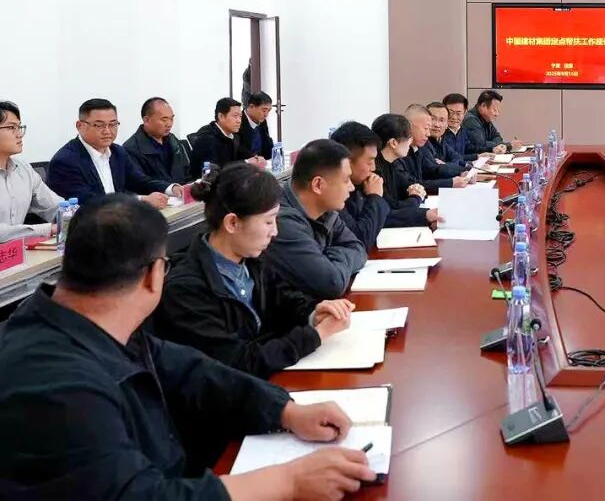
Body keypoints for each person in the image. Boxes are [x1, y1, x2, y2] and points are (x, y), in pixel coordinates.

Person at [0, 194, 376, 499]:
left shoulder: (88, 321)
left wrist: (285, 411)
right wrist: (286, 481)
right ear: (154, 275)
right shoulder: (55, 384)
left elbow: (191, 371)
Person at [154, 163, 355, 379]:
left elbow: (285, 300)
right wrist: (315, 336)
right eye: (268, 221)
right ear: (232, 222)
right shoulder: (185, 290)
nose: (274, 231)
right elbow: (237, 363)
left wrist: (313, 313)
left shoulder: (252, 260)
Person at [261, 139, 365, 302]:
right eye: (346, 180)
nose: (352, 187)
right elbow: (331, 284)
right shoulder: (281, 222)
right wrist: (335, 256)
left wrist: (329, 257)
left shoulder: (326, 210)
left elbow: (358, 247)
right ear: (318, 185)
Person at [48, 98, 180, 208]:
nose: (107, 131)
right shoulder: (65, 161)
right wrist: (141, 199)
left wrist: (171, 188)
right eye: (99, 125)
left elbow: (141, 181)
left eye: (112, 124)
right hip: (90, 225)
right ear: (79, 126)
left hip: (120, 218)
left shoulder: (118, 152)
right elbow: (89, 202)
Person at [0, 101, 63, 242]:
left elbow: (54, 207)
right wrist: (49, 229)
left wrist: (82, 218)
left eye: (19, 127)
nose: (19, 134)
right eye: (11, 127)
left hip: (18, 252)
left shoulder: (24, 169)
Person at [330, 122, 391, 251]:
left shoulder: (360, 184)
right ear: (346, 161)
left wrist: (424, 215)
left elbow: (385, 215)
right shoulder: (332, 193)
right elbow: (359, 240)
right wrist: (374, 197)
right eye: (369, 162)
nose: (373, 168)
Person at [372, 113, 438, 228]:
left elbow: (409, 185)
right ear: (393, 143)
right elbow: (390, 209)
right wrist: (416, 198)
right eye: (409, 137)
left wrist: (416, 190)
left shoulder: (393, 163)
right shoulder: (375, 171)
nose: (411, 141)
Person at [122, 97, 192, 186]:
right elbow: (140, 184)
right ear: (146, 120)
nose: (169, 124)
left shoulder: (172, 139)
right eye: (164, 119)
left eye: (171, 118)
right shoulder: (131, 149)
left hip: (181, 191)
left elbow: (186, 172)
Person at [401, 104, 469, 195]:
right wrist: (451, 182)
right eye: (426, 128)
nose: (428, 134)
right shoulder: (401, 153)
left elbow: (433, 169)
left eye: (442, 120)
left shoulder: (417, 148)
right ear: (409, 126)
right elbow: (411, 184)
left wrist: (461, 173)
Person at [189, 98, 257, 178]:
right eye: (235, 116)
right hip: (207, 183)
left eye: (240, 116)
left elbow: (243, 153)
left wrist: (255, 157)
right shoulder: (207, 138)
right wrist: (246, 162)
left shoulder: (232, 135)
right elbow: (214, 170)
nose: (239, 121)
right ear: (221, 116)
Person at [462, 90, 520, 156]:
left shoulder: (486, 119)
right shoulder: (470, 119)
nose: (497, 114)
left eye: (498, 111)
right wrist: (507, 145)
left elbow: (497, 136)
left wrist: (499, 145)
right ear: (483, 106)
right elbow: (480, 145)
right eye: (494, 110)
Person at [426, 101, 467, 173]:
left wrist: (445, 165)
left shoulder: (441, 138)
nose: (437, 125)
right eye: (433, 119)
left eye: (441, 120)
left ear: (447, 124)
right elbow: (437, 170)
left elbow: (458, 158)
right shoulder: (423, 142)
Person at [239, 91, 275, 161]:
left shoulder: (262, 121)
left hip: (261, 163)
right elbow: (238, 150)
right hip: (244, 165)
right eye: (264, 110)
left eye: (269, 111)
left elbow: (267, 146)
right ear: (251, 106)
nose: (266, 114)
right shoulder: (238, 121)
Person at [442, 92, 476, 163]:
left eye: (458, 113)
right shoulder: (440, 133)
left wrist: (490, 150)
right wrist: (476, 157)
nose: (454, 117)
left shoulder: (462, 129)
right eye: (450, 112)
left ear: (465, 113)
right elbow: (450, 158)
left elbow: (468, 149)